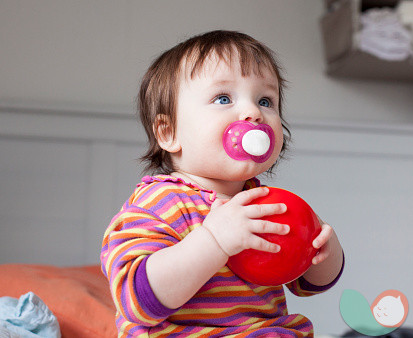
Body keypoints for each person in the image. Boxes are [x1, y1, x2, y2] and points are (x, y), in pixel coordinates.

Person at [101, 30, 344, 337]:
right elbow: (137, 300)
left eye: (265, 100)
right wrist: (214, 241)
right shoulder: (160, 202)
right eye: (224, 98)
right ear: (168, 132)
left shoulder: (266, 202)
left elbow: (308, 284)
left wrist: (324, 251)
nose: (253, 112)